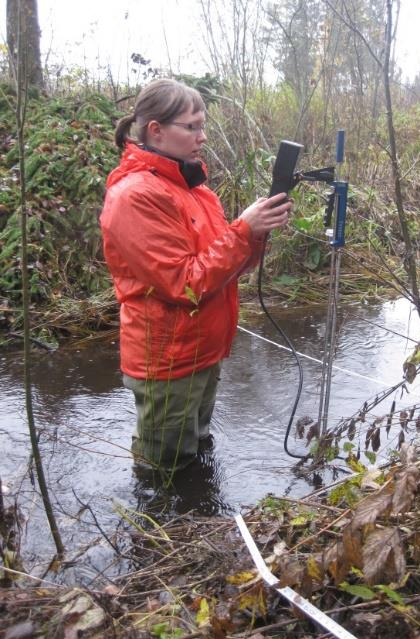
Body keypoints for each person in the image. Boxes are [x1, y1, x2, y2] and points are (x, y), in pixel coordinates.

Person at [100, 78, 291, 474]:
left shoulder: (196, 190)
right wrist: (243, 230)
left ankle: (200, 528)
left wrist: (255, 232)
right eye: (192, 126)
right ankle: (156, 536)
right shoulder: (135, 196)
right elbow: (185, 283)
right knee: (163, 472)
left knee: (197, 453)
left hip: (203, 350)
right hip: (168, 359)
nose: (202, 136)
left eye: (202, 125)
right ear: (156, 130)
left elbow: (225, 267)